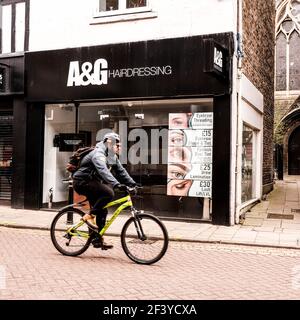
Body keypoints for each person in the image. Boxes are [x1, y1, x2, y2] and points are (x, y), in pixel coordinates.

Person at [72, 132, 137, 249]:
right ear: (109, 143)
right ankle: (89, 216)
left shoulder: (112, 156)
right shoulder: (98, 153)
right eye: (118, 145)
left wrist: (133, 184)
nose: (119, 148)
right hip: (82, 182)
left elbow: (121, 171)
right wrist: (116, 184)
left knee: (103, 210)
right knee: (108, 192)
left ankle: (97, 239)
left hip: (91, 182)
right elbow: (103, 170)